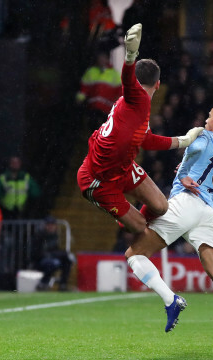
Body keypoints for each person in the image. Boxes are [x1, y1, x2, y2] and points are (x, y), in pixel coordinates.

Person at [124, 91, 213, 357]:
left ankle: (170, 299)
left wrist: (185, 174)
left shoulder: (202, 135)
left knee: (134, 254)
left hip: (184, 204)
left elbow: (190, 148)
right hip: (206, 212)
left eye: (210, 115)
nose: (207, 118)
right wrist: (187, 172)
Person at [77, 23, 204, 234]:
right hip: (97, 180)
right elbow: (127, 81)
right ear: (158, 84)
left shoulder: (133, 107)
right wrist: (130, 56)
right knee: (140, 228)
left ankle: (128, 218)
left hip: (122, 168)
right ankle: (126, 221)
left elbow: (148, 140)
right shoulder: (139, 99)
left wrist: (184, 140)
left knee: (161, 207)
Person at [76, 50, 122, 130]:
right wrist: (80, 99)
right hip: (92, 107)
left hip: (107, 109)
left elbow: (120, 91)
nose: (101, 60)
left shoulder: (114, 74)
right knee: (92, 128)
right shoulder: (91, 71)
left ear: (107, 59)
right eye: (100, 58)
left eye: (103, 58)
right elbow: (84, 88)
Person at [32, 216, 73, 291]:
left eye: (52, 225)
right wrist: (52, 255)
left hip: (51, 258)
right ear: (45, 226)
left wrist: (63, 254)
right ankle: (43, 283)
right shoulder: (39, 236)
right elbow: (37, 253)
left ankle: (63, 284)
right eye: (49, 225)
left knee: (67, 261)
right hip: (41, 261)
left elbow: (55, 250)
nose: (51, 227)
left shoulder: (54, 236)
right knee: (53, 263)